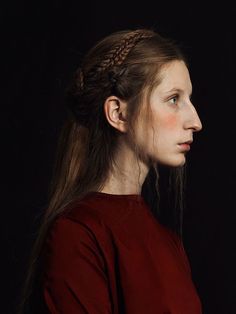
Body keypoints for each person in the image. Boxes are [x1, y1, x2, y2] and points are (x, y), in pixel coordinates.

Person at [18, 28, 203, 314]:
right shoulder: (77, 233)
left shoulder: (170, 244)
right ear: (118, 113)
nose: (195, 121)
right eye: (174, 99)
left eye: (189, 99)